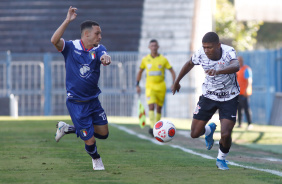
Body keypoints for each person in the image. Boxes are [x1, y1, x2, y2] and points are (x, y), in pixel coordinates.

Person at [51, 6, 111, 170]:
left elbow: (104, 54)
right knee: (90, 139)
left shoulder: (98, 48)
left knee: (103, 134)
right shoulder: (71, 47)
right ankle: (96, 159)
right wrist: (67, 21)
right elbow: (54, 40)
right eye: (97, 33)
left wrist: (106, 58)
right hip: (77, 103)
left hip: (93, 101)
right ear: (86, 34)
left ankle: (67, 128)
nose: (100, 36)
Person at [171, 32, 240, 170]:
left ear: (218, 45)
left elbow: (236, 66)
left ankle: (221, 159)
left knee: (226, 134)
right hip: (209, 95)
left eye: (209, 47)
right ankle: (208, 131)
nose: (206, 50)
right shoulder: (200, 54)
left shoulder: (228, 52)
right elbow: (189, 64)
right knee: (194, 133)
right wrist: (177, 81)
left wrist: (219, 71)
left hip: (229, 97)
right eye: (204, 47)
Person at [136, 39, 176, 136]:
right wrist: (137, 85)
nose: (154, 47)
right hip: (150, 87)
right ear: (149, 47)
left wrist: (174, 83)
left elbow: (172, 71)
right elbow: (140, 71)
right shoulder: (145, 59)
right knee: (151, 106)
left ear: (158, 47)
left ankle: (157, 126)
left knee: (158, 108)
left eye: (155, 46)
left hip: (161, 86)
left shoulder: (163, 59)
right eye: (152, 46)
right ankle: (152, 126)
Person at [236, 56, 253, 129]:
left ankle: (249, 124)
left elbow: (249, 80)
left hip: (244, 92)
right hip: (238, 93)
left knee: (246, 108)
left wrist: (247, 89)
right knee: (239, 109)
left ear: (242, 61)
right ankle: (239, 124)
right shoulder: (237, 70)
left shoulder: (246, 69)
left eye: (239, 61)